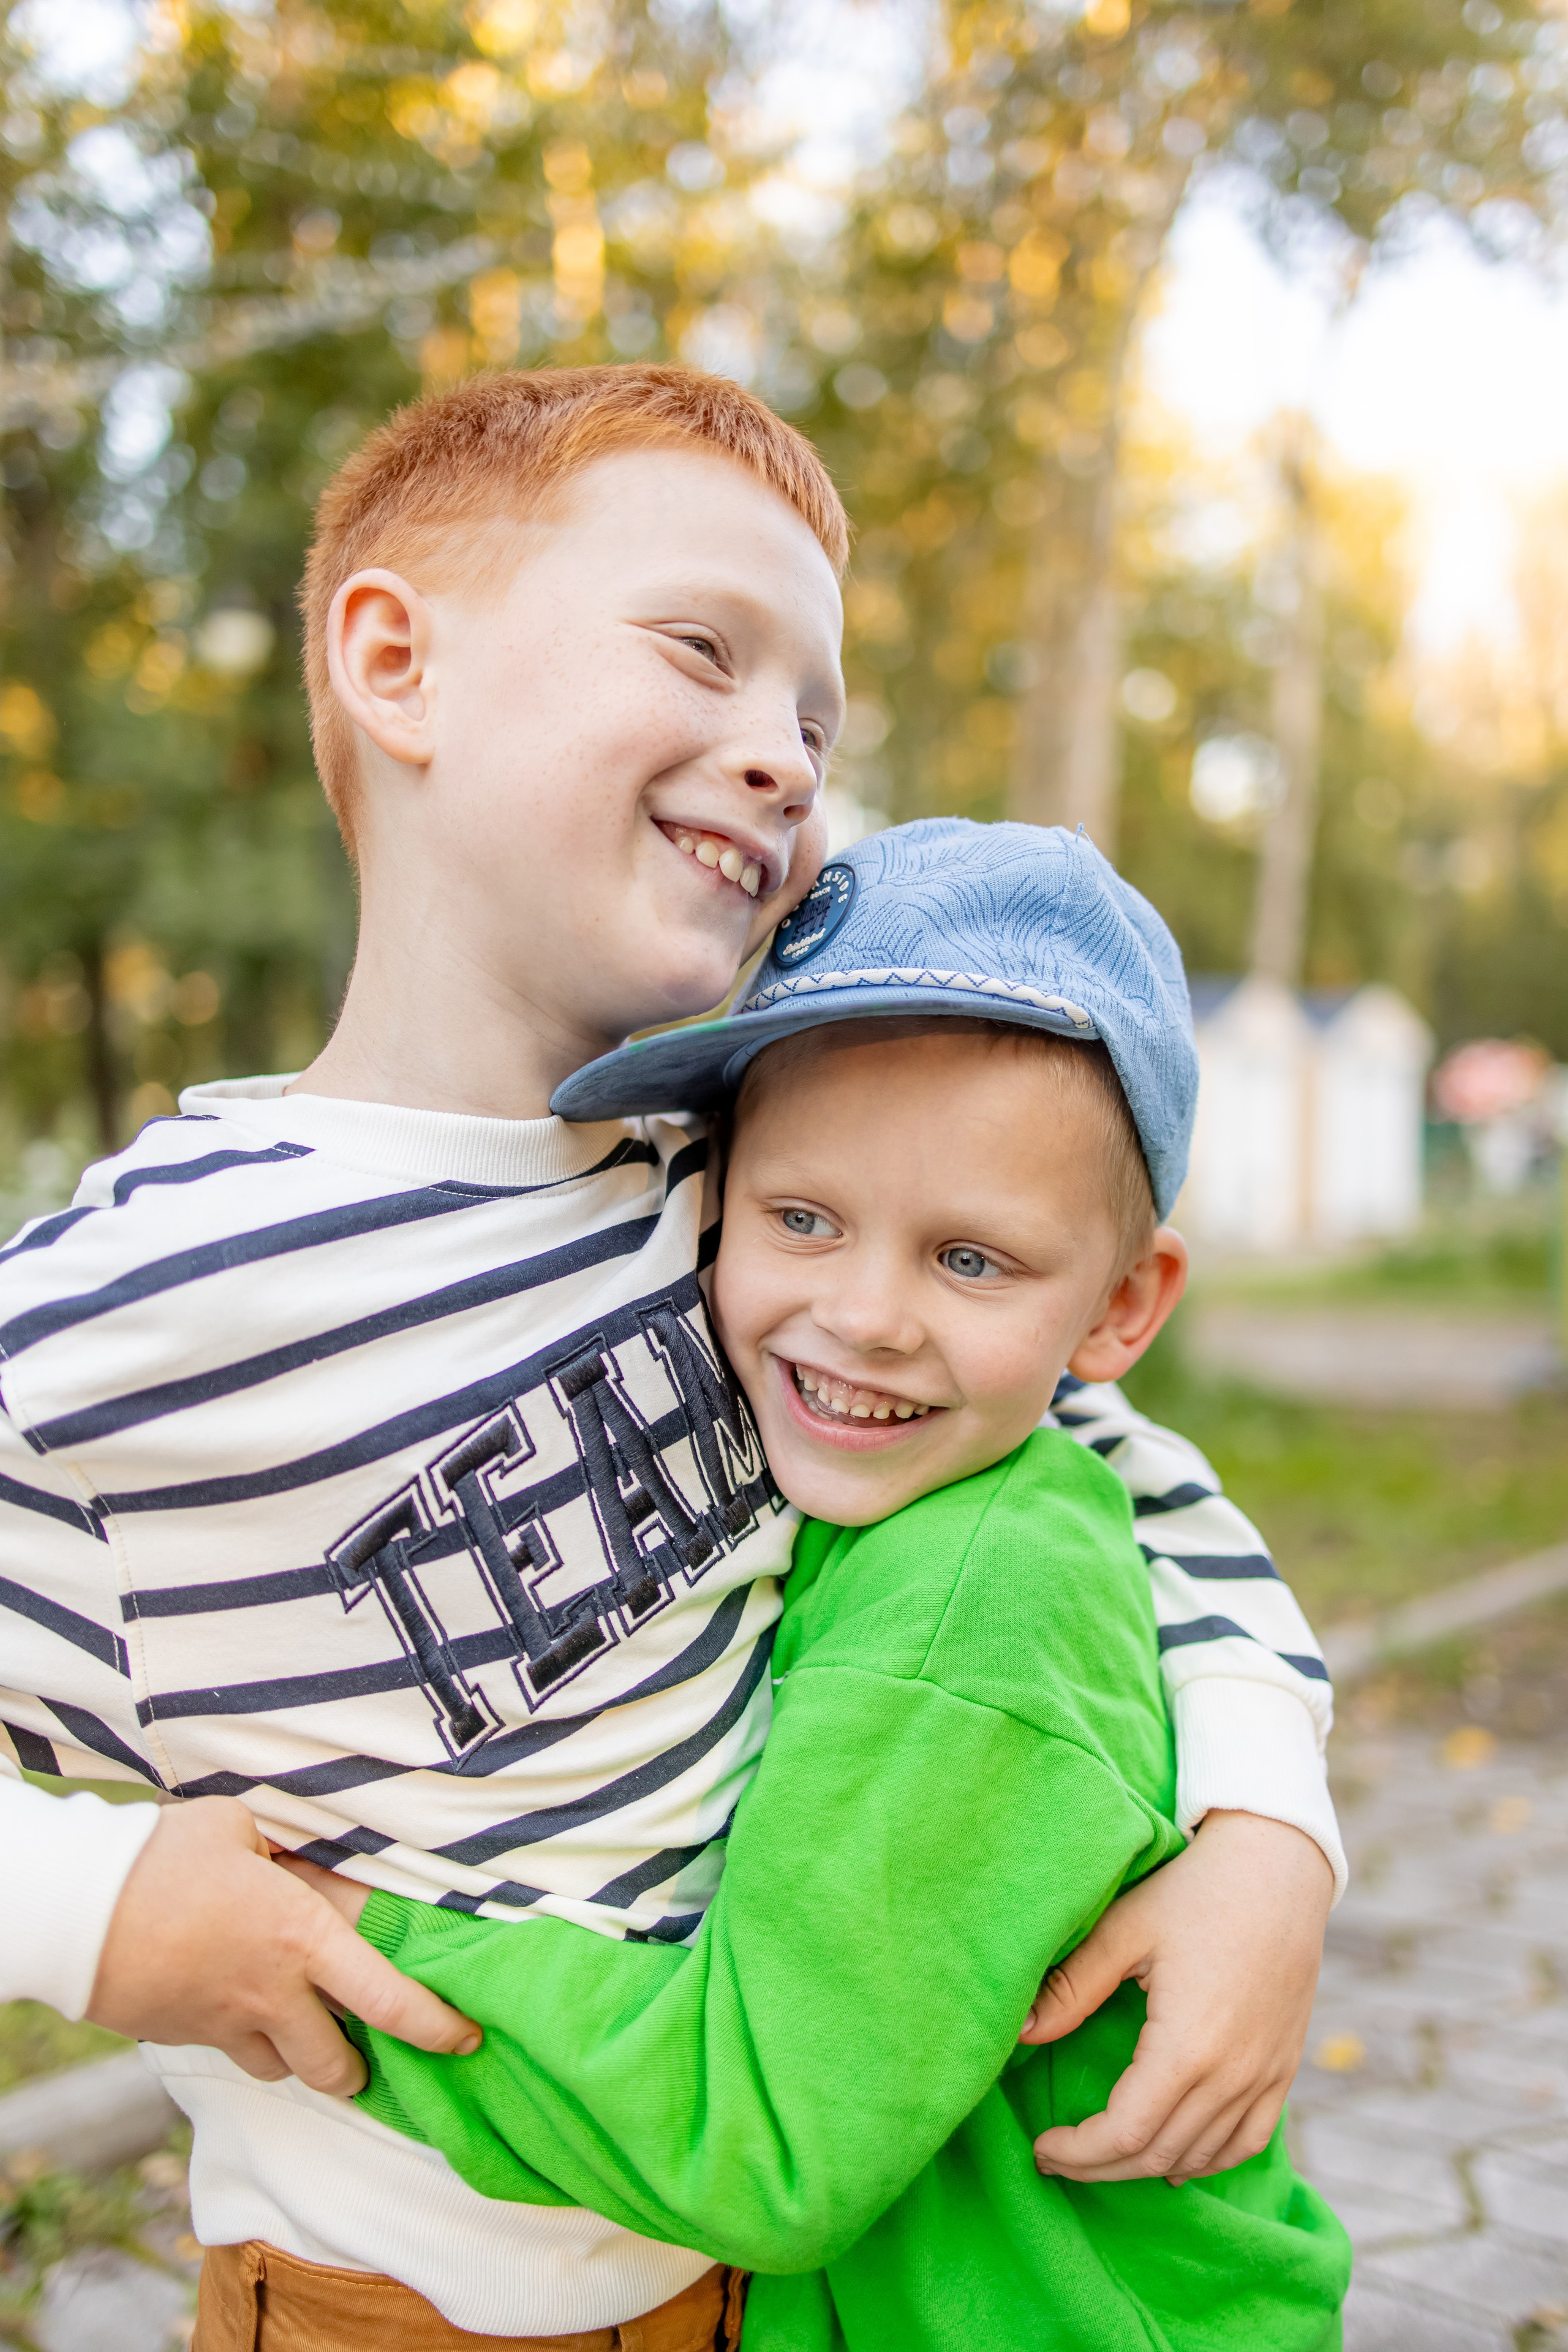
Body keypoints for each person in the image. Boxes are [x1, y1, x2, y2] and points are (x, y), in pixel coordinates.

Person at [0, 368, 1338, 2351]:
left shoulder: (751, 1209)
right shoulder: (136, 1310)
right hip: (389, 2300)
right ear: (399, 664)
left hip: (767, 2285)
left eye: (816, 720)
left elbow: (1123, 1483)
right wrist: (95, 1917)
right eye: (708, 652)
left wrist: (1266, 1834)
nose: (786, 758)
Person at [298, 820, 1351, 2350]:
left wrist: (340, 1939)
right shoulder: (921, 1453)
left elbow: (767, 2141)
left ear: (1122, 1307)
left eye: (971, 1261)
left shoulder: (964, 1601)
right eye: (802, 1218)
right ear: (710, 1202)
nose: (862, 1317)